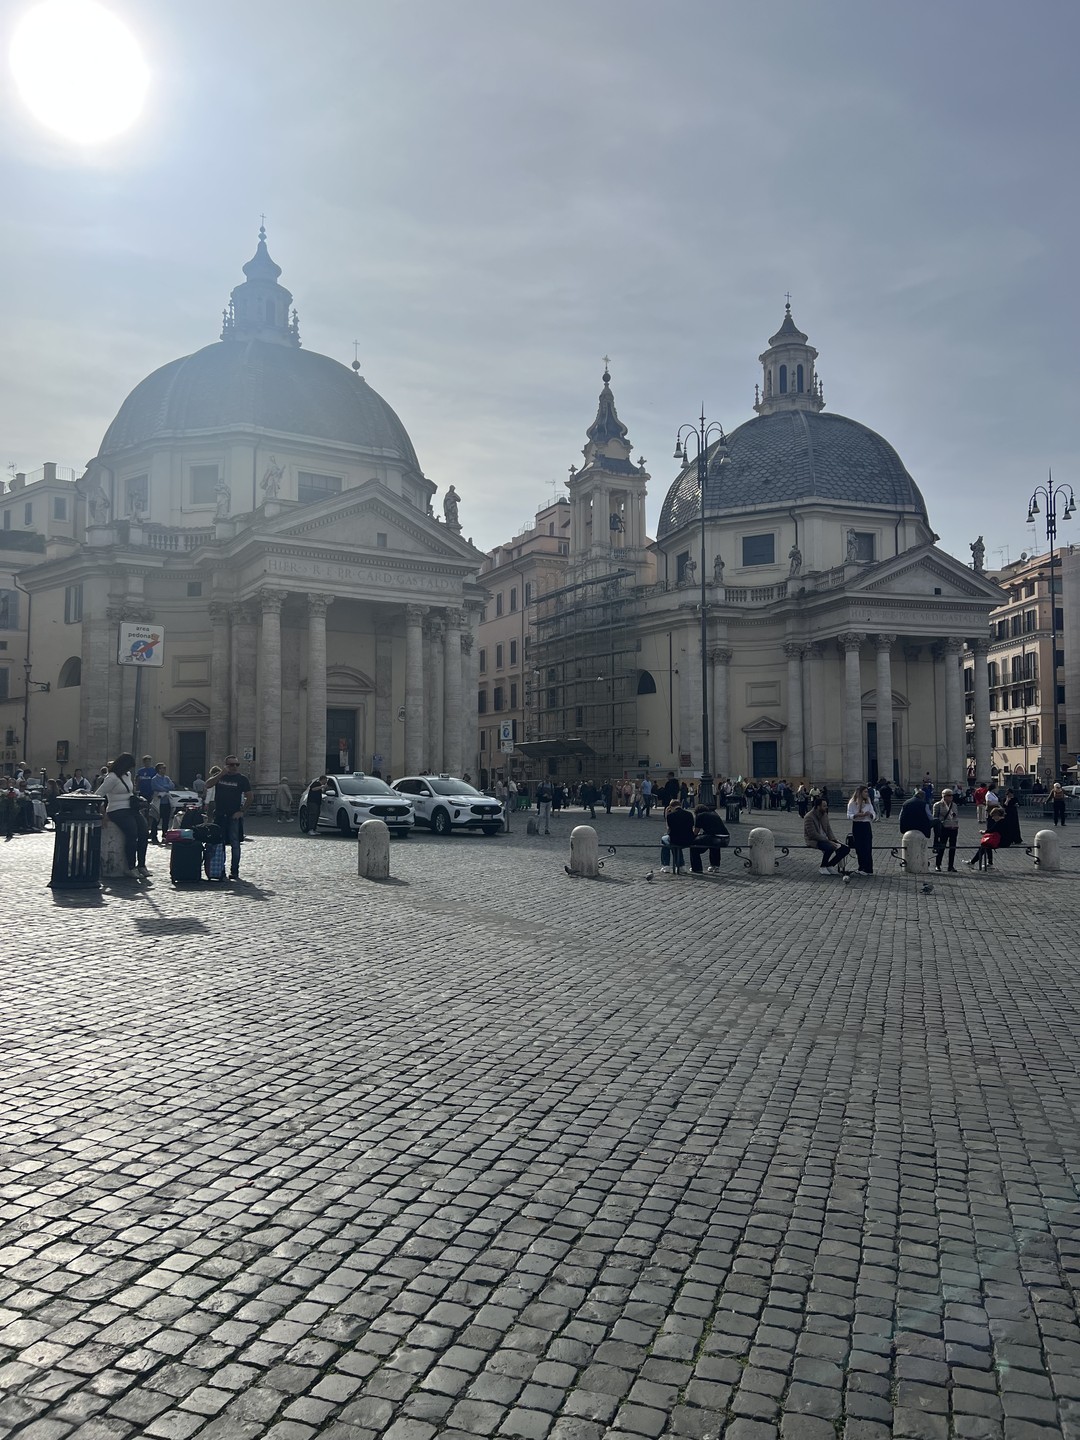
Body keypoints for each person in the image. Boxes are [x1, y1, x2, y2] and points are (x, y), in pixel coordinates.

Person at [204, 756, 251, 880]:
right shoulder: (220, 777)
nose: (234, 767)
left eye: (237, 764)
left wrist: (241, 811)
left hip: (234, 816)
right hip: (219, 814)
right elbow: (208, 784)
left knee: (235, 844)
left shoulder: (242, 779)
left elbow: (250, 796)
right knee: (220, 843)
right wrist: (221, 774)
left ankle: (234, 871)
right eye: (231, 765)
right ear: (226, 765)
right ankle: (220, 870)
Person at [99, 753, 142, 879]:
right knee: (132, 832)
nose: (129, 770)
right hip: (116, 809)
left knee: (144, 830)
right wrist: (103, 813)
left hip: (130, 808)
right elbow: (99, 794)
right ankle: (130, 866)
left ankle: (142, 865)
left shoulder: (127, 775)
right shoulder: (111, 778)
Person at [804, 798, 850, 875]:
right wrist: (829, 841)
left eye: (826, 806)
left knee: (845, 849)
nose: (826, 807)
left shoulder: (824, 815)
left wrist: (834, 840)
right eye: (824, 806)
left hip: (825, 839)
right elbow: (813, 834)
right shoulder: (809, 817)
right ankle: (822, 867)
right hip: (814, 840)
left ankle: (830, 865)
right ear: (818, 807)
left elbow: (828, 829)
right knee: (829, 847)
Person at [691, 803, 730, 873]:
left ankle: (697, 868)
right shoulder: (714, 813)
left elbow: (695, 832)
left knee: (693, 845)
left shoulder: (699, 816)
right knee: (714, 845)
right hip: (726, 838)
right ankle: (715, 866)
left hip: (714, 838)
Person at [846, 785, 876, 876]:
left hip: (866, 825)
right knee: (859, 847)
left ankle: (868, 868)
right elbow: (849, 815)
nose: (867, 794)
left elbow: (874, 814)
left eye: (867, 792)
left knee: (867, 847)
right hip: (857, 825)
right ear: (860, 793)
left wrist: (870, 815)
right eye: (865, 792)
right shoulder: (852, 803)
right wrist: (857, 815)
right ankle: (861, 867)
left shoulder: (868, 802)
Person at [660, 798, 696, 873]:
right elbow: (692, 827)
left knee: (664, 839)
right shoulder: (689, 814)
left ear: (671, 807)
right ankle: (681, 866)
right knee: (675, 844)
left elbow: (668, 829)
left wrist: (667, 816)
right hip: (689, 839)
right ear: (680, 805)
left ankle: (666, 865)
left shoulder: (670, 816)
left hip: (675, 839)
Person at [966, 805, 1005, 869]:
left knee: (985, 844)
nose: (992, 818)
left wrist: (983, 831)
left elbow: (991, 830)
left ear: (997, 815)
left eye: (993, 816)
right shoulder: (1004, 821)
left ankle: (973, 862)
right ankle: (989, 862)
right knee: (987, 844)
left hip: (1002, 841)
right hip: (1003, 839)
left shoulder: (1000, 822)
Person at [931, 788, 960, 872]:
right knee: (941, 847)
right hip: (944, 828)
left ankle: (951, 866)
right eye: (949, 795)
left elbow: (956, 815)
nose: (951, 797)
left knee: (952, 848)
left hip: (954, 828)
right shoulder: (937, 805)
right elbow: (935, 818)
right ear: (944, 796)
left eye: (952, 795)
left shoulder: (954, 805)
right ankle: (938, 865)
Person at [149, 762, 174, 842]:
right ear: (159, 769)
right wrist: (165, 788)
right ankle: (154, 836)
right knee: (156, 820)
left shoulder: (167, 778)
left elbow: (172, 786)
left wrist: (164, 788)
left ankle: (165, 836)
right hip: (158, 803)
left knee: (166, 821)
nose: (165, 769)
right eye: (163, 768)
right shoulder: (154, 779)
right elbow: (156, 787)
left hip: (166, 802)